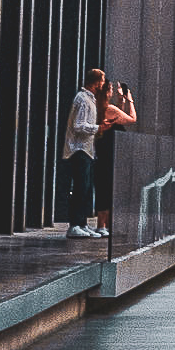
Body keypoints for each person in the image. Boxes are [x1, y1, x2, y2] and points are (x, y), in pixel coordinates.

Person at [63, 70, 106, 236]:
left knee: (86, 188)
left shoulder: (90, 99)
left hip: (87, 150)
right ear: (96, 82)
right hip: (79, 149)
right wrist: (98, 128)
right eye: (101, 81)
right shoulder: (82, 99)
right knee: (80, 188)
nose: (102, 85)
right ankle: (74, 225)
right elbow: (78, 125)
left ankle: (82, 223)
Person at [94, 77, 136, 235]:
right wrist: (130, 101)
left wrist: (121, 102)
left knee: (103, 187)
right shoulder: (108, 108)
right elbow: (131, 119)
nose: (113, 91)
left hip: (102, 152)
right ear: (106, 92)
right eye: (111, 89)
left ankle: (103, 225)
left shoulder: (101, 107)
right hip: (109, 154)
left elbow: (117, 120)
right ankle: (103, 225)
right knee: (108, 187)